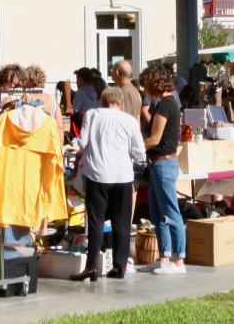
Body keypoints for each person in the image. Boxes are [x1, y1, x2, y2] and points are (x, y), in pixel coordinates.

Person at [70, 87, 145, 281]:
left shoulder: (93, 114)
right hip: (123, 176)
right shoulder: (129, 119)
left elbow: (82, 142)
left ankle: (91, 266)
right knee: (122, 222)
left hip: (98, 174)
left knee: (95, 221)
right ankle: (119, 265)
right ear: (122, 104)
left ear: (101, 102)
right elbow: (139, 151)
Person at [141, 65, 186, 275]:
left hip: (163, 163)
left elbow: (155, 139)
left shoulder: (165, 105)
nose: (145, 90)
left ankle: (178, 261)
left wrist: (133, 148)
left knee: (170, 212)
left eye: (146, 85)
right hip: (160, 163)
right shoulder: (167, 103)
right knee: (158, 213)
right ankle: (164, 259)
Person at [24, 64, 63, 144]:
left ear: (31, 82)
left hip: (33, 143)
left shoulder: (27, 97)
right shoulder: (53, 100)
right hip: (49, 143)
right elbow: (60, 127)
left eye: (24, 80)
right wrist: (60, 149)